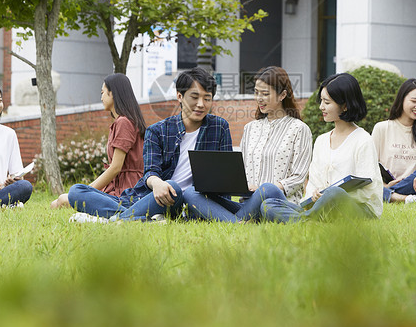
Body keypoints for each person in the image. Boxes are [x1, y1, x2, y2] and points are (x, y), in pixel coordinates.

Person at [69, 67, 232, 222]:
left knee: (173, 186)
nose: (201, 104)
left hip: (188, 202)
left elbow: (225, 175)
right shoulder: (157, 130)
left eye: (207, 98)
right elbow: (150, 172)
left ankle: (118, 220)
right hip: (152, 197)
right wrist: (157, 184)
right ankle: (141, 217)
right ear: (180, 96)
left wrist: (221, 208)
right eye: (195, 97)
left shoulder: (219, 127)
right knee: (77, 191)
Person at [182, 66, 313, 222]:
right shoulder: (250, 128)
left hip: (275, 204)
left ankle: (233, 220)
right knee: (191, 193)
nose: (259, 98)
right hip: (247, 204)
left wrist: (261, 190)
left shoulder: (299, 129)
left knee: (267, 188)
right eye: (256, 92)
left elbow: (298, 178)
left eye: (265, 94)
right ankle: (239, 222)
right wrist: (241, 185)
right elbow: (240, 170)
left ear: (282, 95)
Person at [259, 73, 384, 222]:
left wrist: (329, 195)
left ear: (344, 106)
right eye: (321, 101)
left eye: (327, 102)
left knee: (334, 193)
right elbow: (313, 183)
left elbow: (368, 190)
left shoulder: (363, 140)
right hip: (319, 206)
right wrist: (313, 195)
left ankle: (304, 220)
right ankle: (309, 220)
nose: (321, 107)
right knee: (268, 205)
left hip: (358, 209)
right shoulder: (321, 140)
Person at [52, 73, 145, 210]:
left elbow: (115, 167)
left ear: (112, 94)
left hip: (127, 192)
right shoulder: (122, 121)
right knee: (58, 201)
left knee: (63, 200)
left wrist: (86, 191)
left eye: (103, 93)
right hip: (119, 189)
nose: (101, 97)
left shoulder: (124, 122)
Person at [371, 78, 416, 203]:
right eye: (414, 101)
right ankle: (399, 196)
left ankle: (392, 195)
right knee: (367, 187)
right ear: (402, 99)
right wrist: (384, 186)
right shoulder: (382, 128)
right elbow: (370, 167)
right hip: (388, 186)